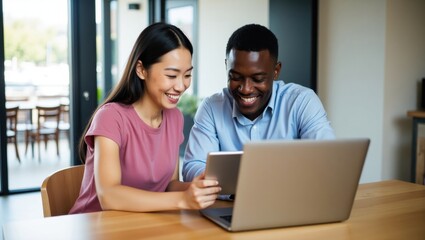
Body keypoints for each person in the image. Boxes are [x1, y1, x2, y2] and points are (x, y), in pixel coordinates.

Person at [69, 22, 221, 214]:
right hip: (96, 225)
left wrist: (196, 190)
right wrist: (182, 199)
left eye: (187, 75)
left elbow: (169, 186)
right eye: (172, 75)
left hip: (142, 225)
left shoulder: (175, 118)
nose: (181, 86)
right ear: (141, 70)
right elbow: (109, 196)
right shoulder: (110, 117)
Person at [183, 24, 335, 182]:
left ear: (276, 71)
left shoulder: (301, 102)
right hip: (230, 204)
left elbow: (326, 160)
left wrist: (233, 180)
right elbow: (192, 167)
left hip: (289, 203)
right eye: (236, 77)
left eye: (258, 79)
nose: (246, 89)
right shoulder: (211, 108)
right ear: (227, 67)